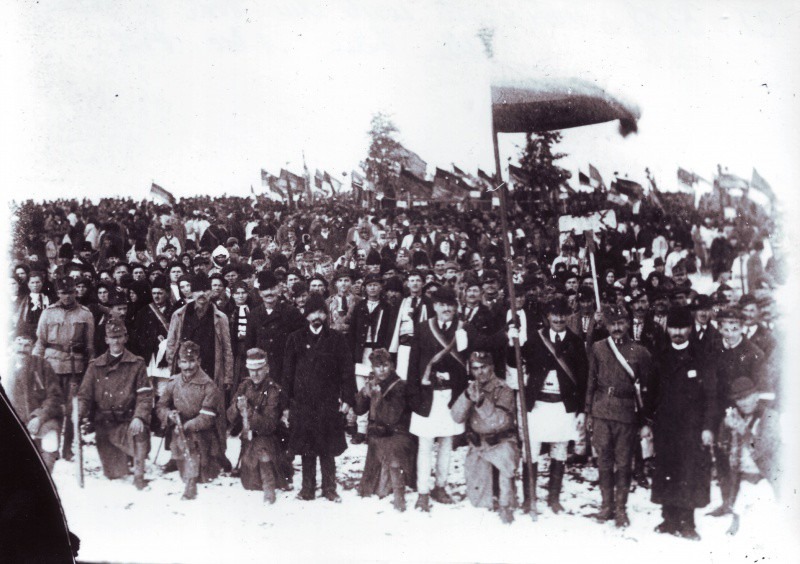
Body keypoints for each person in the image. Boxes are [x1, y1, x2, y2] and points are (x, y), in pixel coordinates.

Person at [641, 307, 716, 540]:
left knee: (689, 473)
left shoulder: (701, 356)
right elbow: (650, 394)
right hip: (666, 428)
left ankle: (688, 523)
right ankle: (668, 518)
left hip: (692, 429)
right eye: (673, 327)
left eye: (683, 327)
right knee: (666, 471)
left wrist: (707, 427)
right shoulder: (660, 356)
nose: (678, 332)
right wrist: (647, 422)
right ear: (667, 328)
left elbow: (711, 396)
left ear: (691, 328)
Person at [282, 294, 356, 502]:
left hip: (328, 402)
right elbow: (287, 373)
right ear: (306, 315)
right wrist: (286, 404)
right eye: (313, 312)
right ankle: (307, 488)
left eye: (321, 312)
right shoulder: (295, 339)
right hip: (303, 403)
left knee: (328, 448)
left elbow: (347, 372)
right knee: (307, 448)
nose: (317, 317)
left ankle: (329, 488)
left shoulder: (337, 339)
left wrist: (348, 400)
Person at [519, 296, 588, 516]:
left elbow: (583, 377)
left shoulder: (576, 342)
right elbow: (517, 362)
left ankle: (554, 498)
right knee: (531, 452)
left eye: (562, 314)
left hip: (562, 406)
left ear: (568, 316)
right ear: (548, 316)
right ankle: (529, 499)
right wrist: (513, 340)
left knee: (559, 451)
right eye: (554, 314)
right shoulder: (534, 339)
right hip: (538, 406)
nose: (559, 318)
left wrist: (581, 409)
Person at [585, 304, 651, 528]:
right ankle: (606, 506)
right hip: (601, 410)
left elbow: (647, 388)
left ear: (629, 323)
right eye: (612, 323)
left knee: (624, 463)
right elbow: (591, 381)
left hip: (626, 413)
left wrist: (645, 420)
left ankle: (621, 509)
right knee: (603, 459)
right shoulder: (598, 348)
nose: (617, 327)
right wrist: (588, 412)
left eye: (621, 323)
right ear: (605, 324)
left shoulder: (640, 352)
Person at [406, 286, 468, 512]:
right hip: (426, 397)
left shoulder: (462, 330)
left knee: (446, 444)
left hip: (450, 397)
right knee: (425, 445)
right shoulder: (423, 329)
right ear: (434, 307)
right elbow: (413, 363)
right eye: (442, 305)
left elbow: (466, 362)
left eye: (450, 305)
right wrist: (412, 395)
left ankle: (440, 487)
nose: (447, 309)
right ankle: (423, 491)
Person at [706, 307, 767, 517]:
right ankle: (727, 502)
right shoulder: (713, 351)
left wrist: (748, 415)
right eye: (725, 328)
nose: (730, 333)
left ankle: (745, 503)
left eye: (735, 328)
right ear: (719, 328)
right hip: (720, 413)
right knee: (723, 457)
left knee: (743, 458)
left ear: (742, 328)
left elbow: (760, 387)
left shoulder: (754, 353)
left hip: (745, 413)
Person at [77, 319, 152, 489]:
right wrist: (79, 414)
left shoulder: (137, 364)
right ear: (106, 340)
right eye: (112, 337)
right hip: (104, 425)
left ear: (125, 337)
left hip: (127, 422)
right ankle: (123, 457)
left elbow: (145, 396)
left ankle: (139, 475)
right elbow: (84, 396)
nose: (116, 341)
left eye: (119, 336)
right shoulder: (95, 366)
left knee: (140, 432)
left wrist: (139, 417)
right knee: (115, 474)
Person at [451, 351, 519, 524]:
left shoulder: (504, 389)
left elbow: (500, 421)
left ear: (492, 367)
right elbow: (456, 416)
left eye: (483, 367)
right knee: (477, 500)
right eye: (475, 369)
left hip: (501, 442)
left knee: (506, 464)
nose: (479, 372)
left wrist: (481, 402)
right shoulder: (472, 388)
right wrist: (467, 397)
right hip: (479, 444)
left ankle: (505, 506)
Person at [32, 276, 95, 461]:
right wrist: (37, 365)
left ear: (76, 291)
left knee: (72, 409)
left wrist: (90, 367)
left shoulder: (85, 314)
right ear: (58, 293)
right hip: (51, 367)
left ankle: (68, 448)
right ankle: (53, 448)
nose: (66, 296)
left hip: (75, 368)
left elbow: (90, 346)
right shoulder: (48, 313)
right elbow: (41, 342)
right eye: (62, 293)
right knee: (52, 408)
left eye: (70, 292)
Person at [157, 340, 227, 500]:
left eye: (191, 361)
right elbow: (161, 405)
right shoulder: (173, 382)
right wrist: (169, 414)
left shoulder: (209, 385)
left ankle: (191, 485)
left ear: (198, 361)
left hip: (203, 434)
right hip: (179, 431)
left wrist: (187, 425)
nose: (188, 366)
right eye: (184, 362)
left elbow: (207, 418)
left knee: (195, 448)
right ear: (179, 362)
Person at [716, 377, 781, 536]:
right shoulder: (737, 417)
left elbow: (760, 449)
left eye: (746, 397)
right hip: (744, 478)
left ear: (757, 395)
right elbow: (723, 448)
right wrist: (725, 427)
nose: (743, 403)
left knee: (766, 527)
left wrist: (742, 430)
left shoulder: (770, 417)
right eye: (738, 399)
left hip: (766, 479)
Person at [353, 348, 414, 512]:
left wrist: (378, 398)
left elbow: (391, 417)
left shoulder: (399, 385)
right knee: (371, 489)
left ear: (392, 366)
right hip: (379, 433)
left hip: (398, 434)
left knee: (392, 455)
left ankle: (399, 494)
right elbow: (359, 411)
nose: (381, 369)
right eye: (377, 366)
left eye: (385, 365)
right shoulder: (373, 384)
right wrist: (363, 396)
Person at [226, 348, 288, 503]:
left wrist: (248, 410)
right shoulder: (244, 386)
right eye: (251, 370)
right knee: (249, 483)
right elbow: (230, 416)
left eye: (259, 370)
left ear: (266, 368)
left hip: (271, 439)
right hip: (249, 439)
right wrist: (236, 408)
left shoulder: (273, 390)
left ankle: (270, 487)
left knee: (263, 450)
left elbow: (269, 425)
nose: (255, 374)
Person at [165, 272, 234, 397]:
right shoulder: (179, 315)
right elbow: (171, 343)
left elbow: (226, 348)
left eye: (205, 290)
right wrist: (172, 367)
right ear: (192, 293)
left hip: (211, 368)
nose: (201, 294)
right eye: (197, 290)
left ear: (211, 293)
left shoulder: (220, 317)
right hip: (185, 369)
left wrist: (228, 376)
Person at [7, 329, 64, 473]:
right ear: (12, 344)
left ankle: (44, 478)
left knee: (50, 437)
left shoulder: (42, 365)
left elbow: (54, 397)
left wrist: (39, 417)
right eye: (19, 344)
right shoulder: (4, 367)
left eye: (27, 345)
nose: (22, 349)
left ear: (33, 347)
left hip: (39, 420)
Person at [348, 273, 395, 443]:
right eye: (369, 285)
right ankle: (361, 429)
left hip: (379, 353)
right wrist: (353, 355)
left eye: (376, 284)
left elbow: (390, 332)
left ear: (380, 287)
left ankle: (375, 428)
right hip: (362, 352)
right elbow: (352, 332)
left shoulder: (387, 308)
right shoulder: (359, 306)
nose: (373, 288)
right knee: (362, 390)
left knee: (379, 390)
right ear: (365, 288)